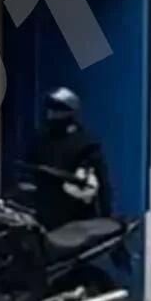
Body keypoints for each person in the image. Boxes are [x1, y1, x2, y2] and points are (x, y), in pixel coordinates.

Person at [21, 87, 113, 230]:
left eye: (57, 111)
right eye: (50, 110)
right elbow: (26, 171)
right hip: (42, 213)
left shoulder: (86, 144)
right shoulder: (40, 140)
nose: (51, 115)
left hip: (75, 216)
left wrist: (106, 219)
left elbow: (101, 185)